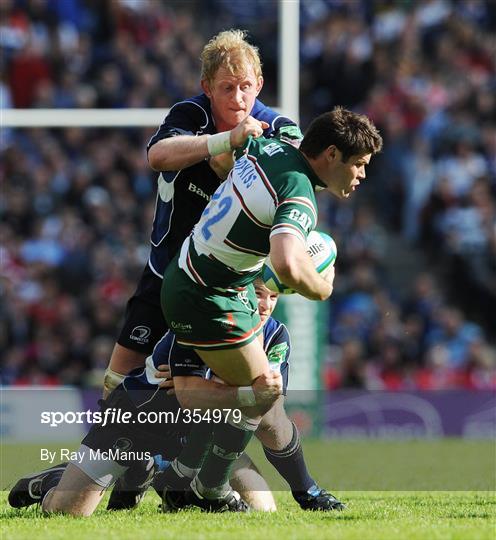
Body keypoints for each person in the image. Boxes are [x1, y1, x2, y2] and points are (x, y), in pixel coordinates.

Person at [160, 106, 383, 511]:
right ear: (331, 155)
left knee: (262, 395)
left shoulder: (277, 146)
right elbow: (286, 263)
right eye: (359, 164)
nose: (362, 175)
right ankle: (192, 483)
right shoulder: (299, 192)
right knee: (264, 392)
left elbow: (222, 159)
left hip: (205, 276)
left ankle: (199, 483)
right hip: (207, 295)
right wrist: (322, 288)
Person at [8, 281, 343, 515]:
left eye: (273, 297)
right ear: (238, 292)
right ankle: (56, 480)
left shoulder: (275, 334)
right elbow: (189, 397)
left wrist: (242, 395)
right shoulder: (204, 321)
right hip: (138, 418)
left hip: (196, 433)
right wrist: (241, 393)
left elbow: (265, 407)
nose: (265, 305)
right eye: (257, 293)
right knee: (67, 512)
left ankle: (184, 483)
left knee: (263, 509)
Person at [103, 29, 302, 396]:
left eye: (245, 86)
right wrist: (226, 142)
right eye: (227, 87)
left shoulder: (278, 129)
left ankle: (208, 453)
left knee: (198, 386)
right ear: (207, 87)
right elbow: (157, 155)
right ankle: (99, 451)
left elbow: (300, 175)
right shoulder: (190, 114)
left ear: (259, 84)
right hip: (165, 268)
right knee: (118, 378)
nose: (238, 97)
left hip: (222, 286)